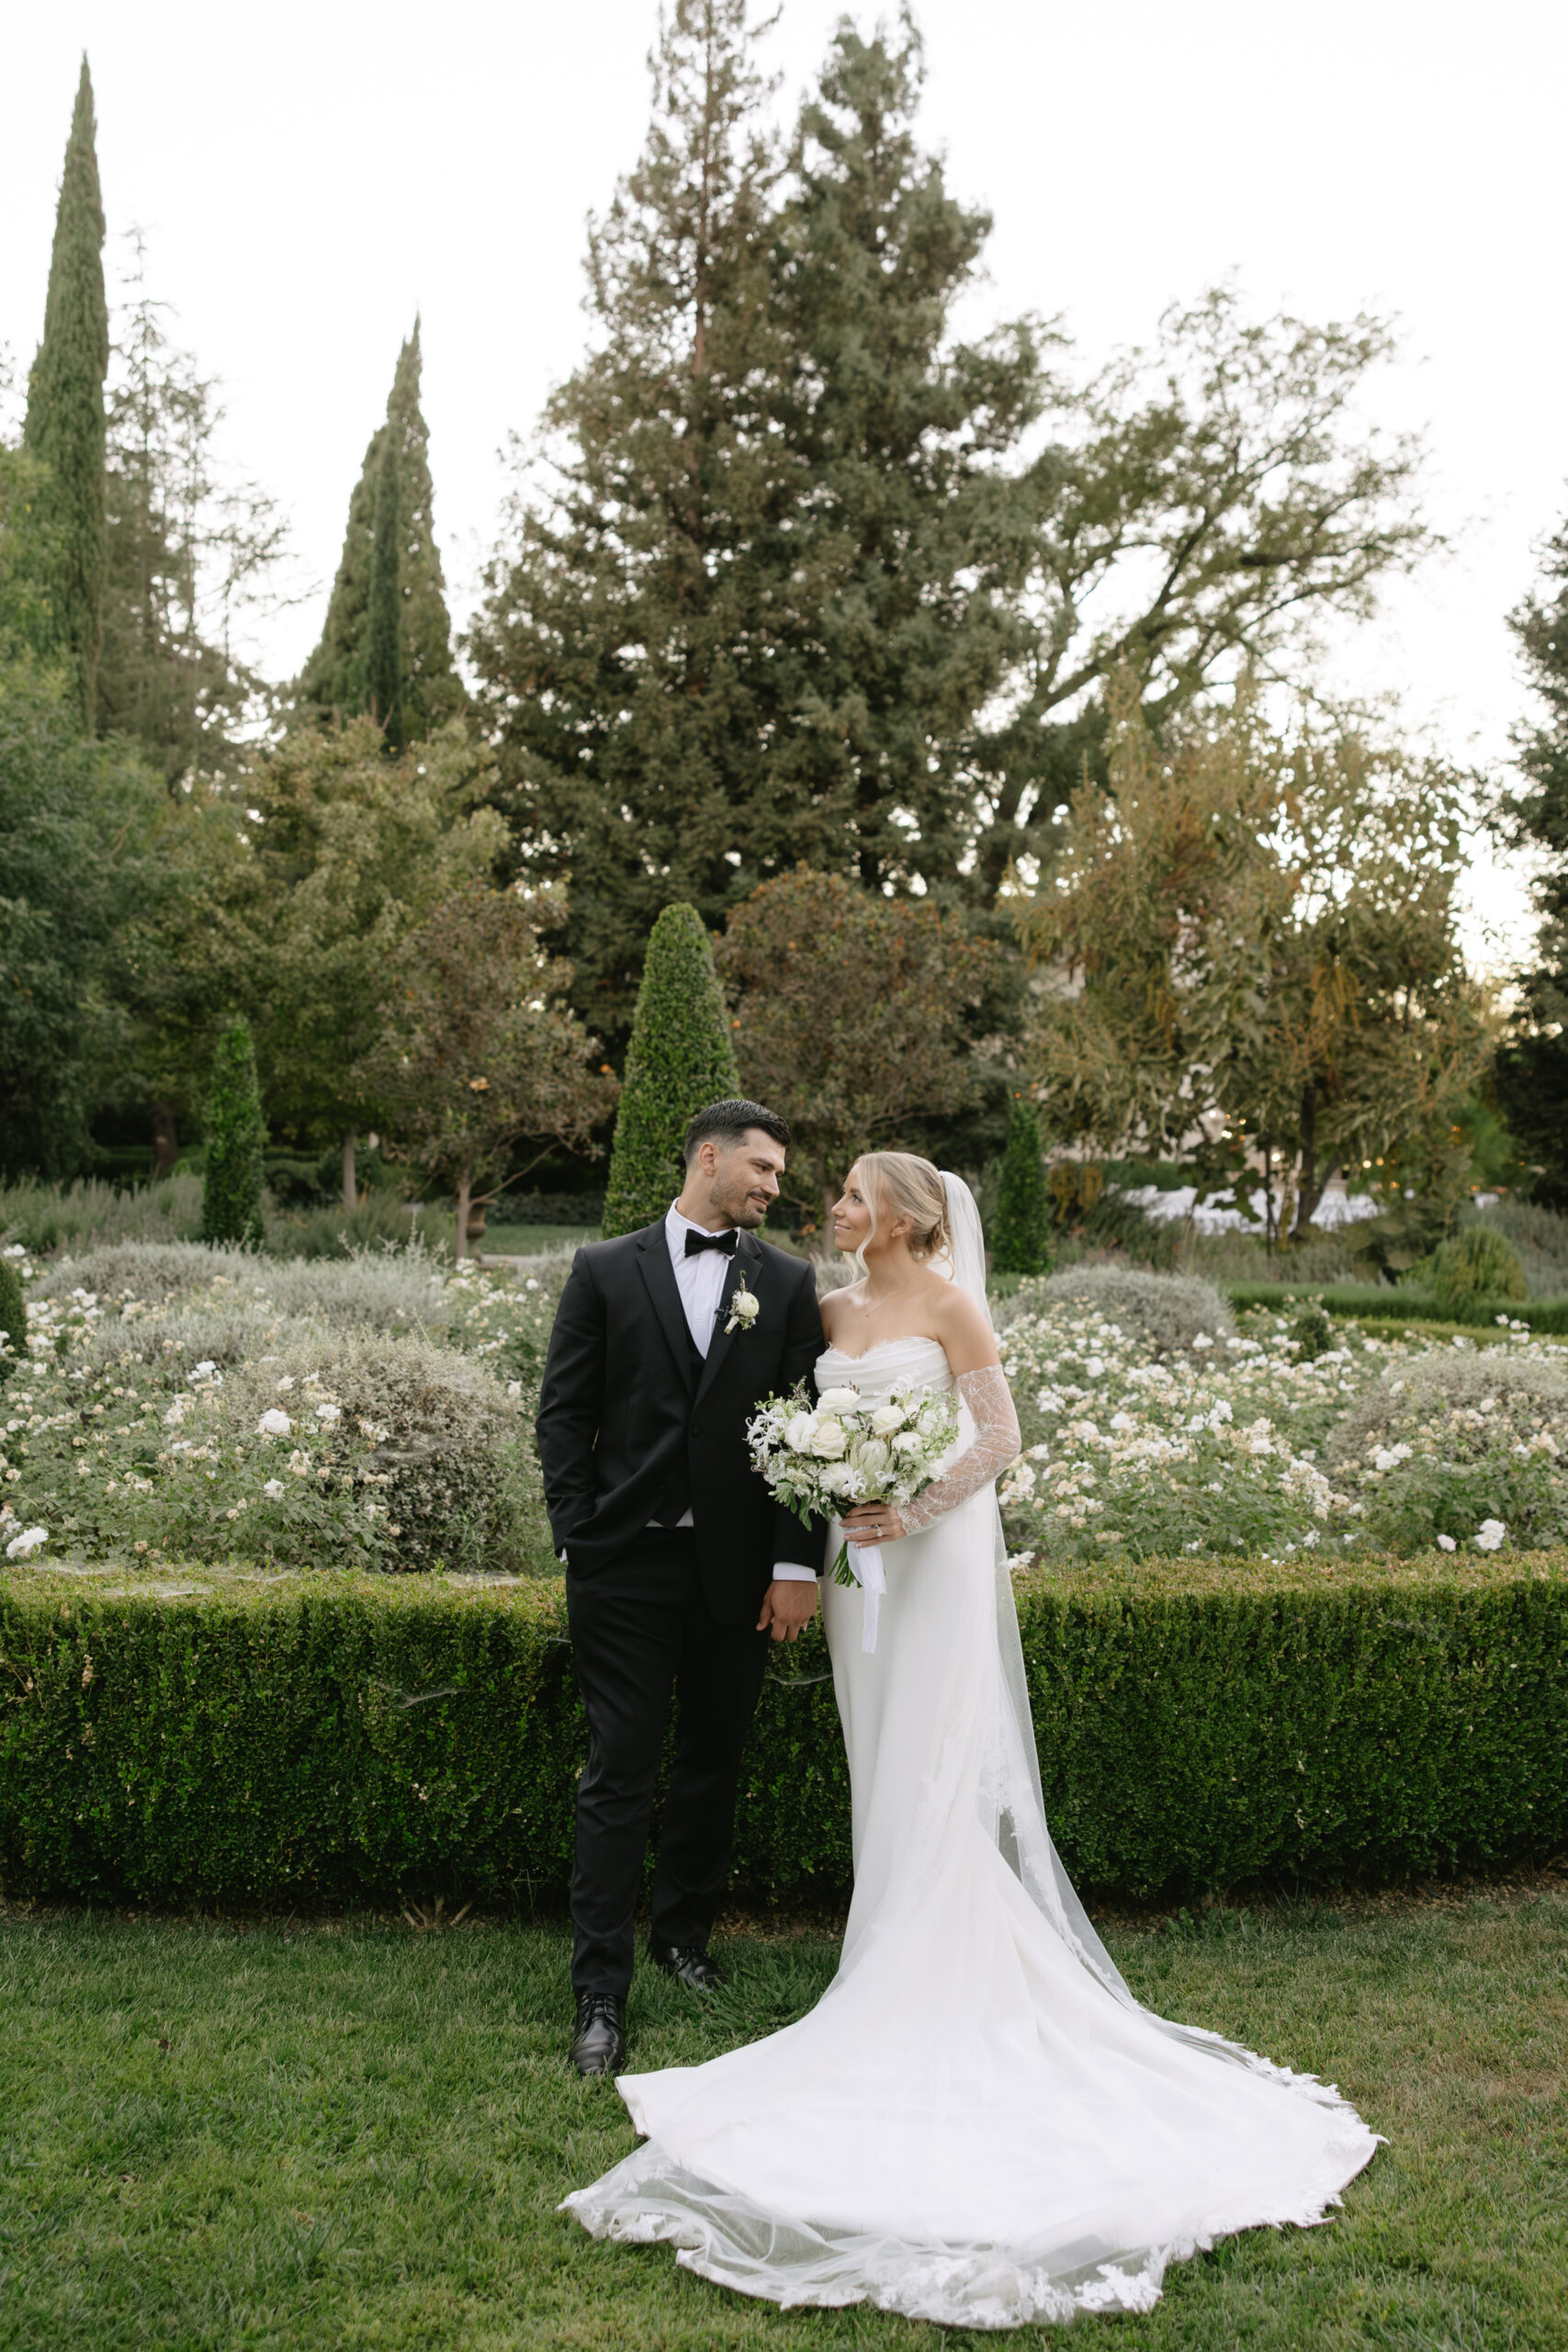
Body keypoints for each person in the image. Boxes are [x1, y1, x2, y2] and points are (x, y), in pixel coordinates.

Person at [562, 1152, 1381, 2328]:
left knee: (937, 1755)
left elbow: (997, 1437)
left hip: (931, 1559)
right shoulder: (824, 1307)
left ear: (898, 1213)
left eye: (845, 1193)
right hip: (861, 1573)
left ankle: (927, 1965)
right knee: (877, 1752)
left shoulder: (951, 1303)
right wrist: (834, 1494)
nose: (829, 1209)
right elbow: (786, 1421)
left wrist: (912, 1503)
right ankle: (884, 1939)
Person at [536, 1099, 827, 2078]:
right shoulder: (603, 1270)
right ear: (708, 1157)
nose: (775, 1186)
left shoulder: (785, 1283)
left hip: (738, 1574)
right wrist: (580, 1531)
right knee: (619, 1768)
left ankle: (684, 1938)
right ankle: (599, 1993)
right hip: (622, 1566)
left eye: (780, 1175)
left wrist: (795, 1566)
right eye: (763, 1168)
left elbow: (803, 1434)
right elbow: (563, 1414)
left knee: (712, 1759)